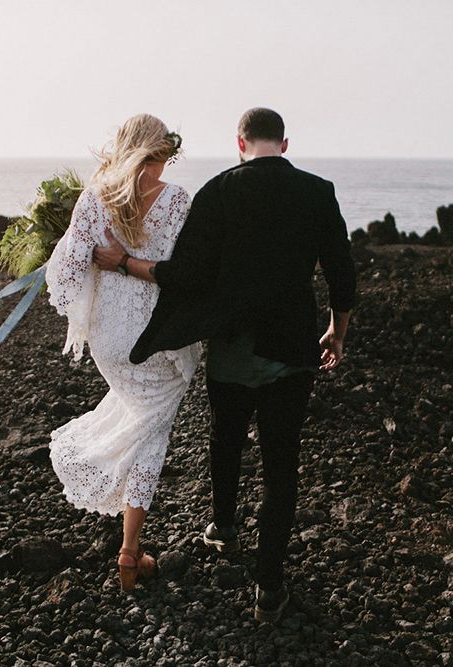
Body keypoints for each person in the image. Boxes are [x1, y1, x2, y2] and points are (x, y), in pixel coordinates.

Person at [93, 107, 356, 621]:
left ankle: (224, 528)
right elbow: (342, 272)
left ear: (240, 142)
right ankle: (270, 588)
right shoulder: (318, 191)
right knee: (282, 467)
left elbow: (187, 274)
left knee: (226, 437)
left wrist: (124, 263)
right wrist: (336, 331)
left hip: (234, 347)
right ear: (284, 142)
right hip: (294, 347)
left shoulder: (218, 191)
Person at [44, 114, 201, 591]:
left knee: (140, 419)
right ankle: (129, 553)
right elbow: (185, 274)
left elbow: (65, 273)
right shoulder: (177, 201)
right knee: (153, 433)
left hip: (109, 338)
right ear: (161, 150)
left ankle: (130, 544)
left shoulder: (94, 198)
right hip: (157, 334)